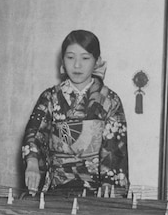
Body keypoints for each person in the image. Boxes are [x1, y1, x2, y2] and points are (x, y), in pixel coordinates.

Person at [22, 30, 129, 196]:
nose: (77, 65)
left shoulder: (110, 100)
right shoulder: (50, 97)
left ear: (97, 61)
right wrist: (32, 162)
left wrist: (109, 188)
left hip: (96, 189)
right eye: (70, 57)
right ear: (62, 61)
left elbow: (114, 152)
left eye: (85, 58)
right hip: (56, 186)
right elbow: (34, 134)